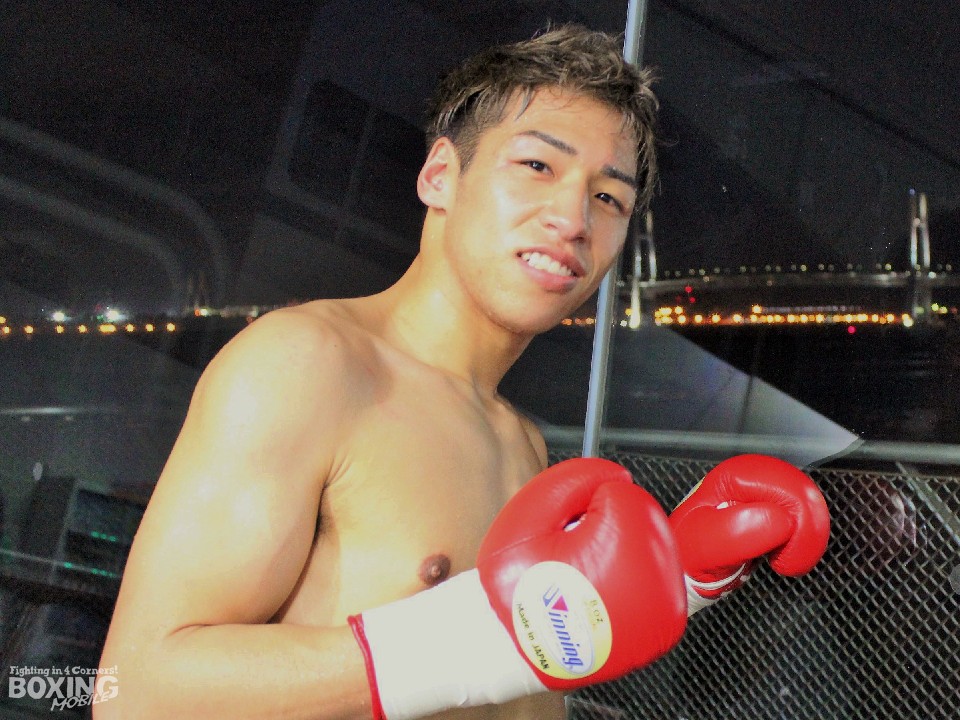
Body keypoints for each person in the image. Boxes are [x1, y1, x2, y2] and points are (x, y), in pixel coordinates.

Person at [96, 24, 829, 720]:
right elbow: (141, 693)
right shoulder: (309, 364)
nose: (573, 218)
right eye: (537, 166)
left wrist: (676, 576)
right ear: (441, 176)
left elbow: (508, 684)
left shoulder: (522, 442)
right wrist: (488, 642)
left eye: (609, 198)